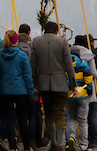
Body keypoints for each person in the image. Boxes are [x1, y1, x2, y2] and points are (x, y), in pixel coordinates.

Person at [30, 21, 76, 151]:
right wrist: (73, 85)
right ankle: (60, 144)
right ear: (56, 31)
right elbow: (68, 65)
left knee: (49, 113)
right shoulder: (62, 42)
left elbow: (32, 65)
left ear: (45, 30)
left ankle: (54, 143)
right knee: (60, 113)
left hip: (44, 85)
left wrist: (35, 83)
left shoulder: (36, 42)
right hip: (60, 84)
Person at [0, 30, 34, 151]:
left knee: (10, 119)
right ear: (16, 41)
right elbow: (28, 76)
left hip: (6, 91)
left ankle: (12, 145)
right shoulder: (22, 56)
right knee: (22, 119)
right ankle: (26, 146)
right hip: (21, 91)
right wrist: (30, 92)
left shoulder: (0, 57)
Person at [73, 37, 97, 148]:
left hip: (72, 92)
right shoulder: (90, 55)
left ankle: (71, 139)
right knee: (87, 119)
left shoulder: (70, 54)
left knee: (72, 117)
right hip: (85, 92)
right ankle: (89, 142)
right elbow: (94, 74)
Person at [66, 44, 93, 151]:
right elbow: (89, 81)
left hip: (70, 95)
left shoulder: (66, 66)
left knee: (72, 118)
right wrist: (89, 92)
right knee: (83, 121)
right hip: (83, 96)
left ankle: (72, 137)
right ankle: (84, 145)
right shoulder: (84, 65)